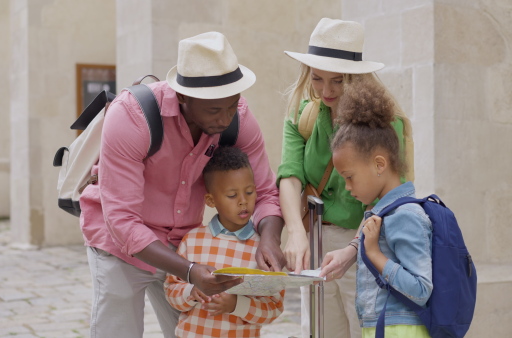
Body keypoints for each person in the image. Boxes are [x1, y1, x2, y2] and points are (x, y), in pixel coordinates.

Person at [79, 31, 285, 338]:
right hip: (119, 245)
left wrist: (269, 238)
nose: (226, 118)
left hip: (183, 244)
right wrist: (188, 271)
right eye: (215, 110)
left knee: (194, 330)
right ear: (183, 96)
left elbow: (267, 191)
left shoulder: (238, 118)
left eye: (232, 106)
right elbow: (122, 220)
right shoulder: (130, 117)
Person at [277, 18, 413, 338]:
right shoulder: (303, 113)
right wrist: (296, 232)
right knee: (321, 331)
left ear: (356, 78)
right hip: (316, 239)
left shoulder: (385, 122)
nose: (326, 91)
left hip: (366, 242)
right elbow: (289, 174)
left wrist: (355, 249)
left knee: (364, 329)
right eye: (317, 79)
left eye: (338, 81)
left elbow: (393, 197)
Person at [320, 78, 433, 338]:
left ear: (379, 164)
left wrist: (374, 254)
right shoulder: (382, 214)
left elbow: (420, 288)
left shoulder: (405, 216)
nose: (347, 187)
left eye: (350, 176)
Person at [164, 146, 284, 337]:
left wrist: (237, 305)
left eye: (250, 192)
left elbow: (274, 308)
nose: (243, 201)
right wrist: (192, 292)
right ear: (211, 200)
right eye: (232, 195)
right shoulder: (192, 240)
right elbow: (171, 293)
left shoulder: (263, 249)